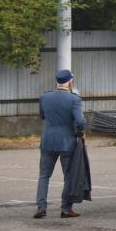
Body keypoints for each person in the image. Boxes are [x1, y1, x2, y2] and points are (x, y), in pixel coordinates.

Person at [35, 69, 85, 219]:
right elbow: (80, 121)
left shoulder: (45, 97)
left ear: (57, 82)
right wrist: (80, 132)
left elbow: (42, 116)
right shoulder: (74, 99)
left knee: (44, 175)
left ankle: (41, 208)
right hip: (67, 142)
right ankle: (65, 208)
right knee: (68, 176)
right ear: (70, 82)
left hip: (48, 140)